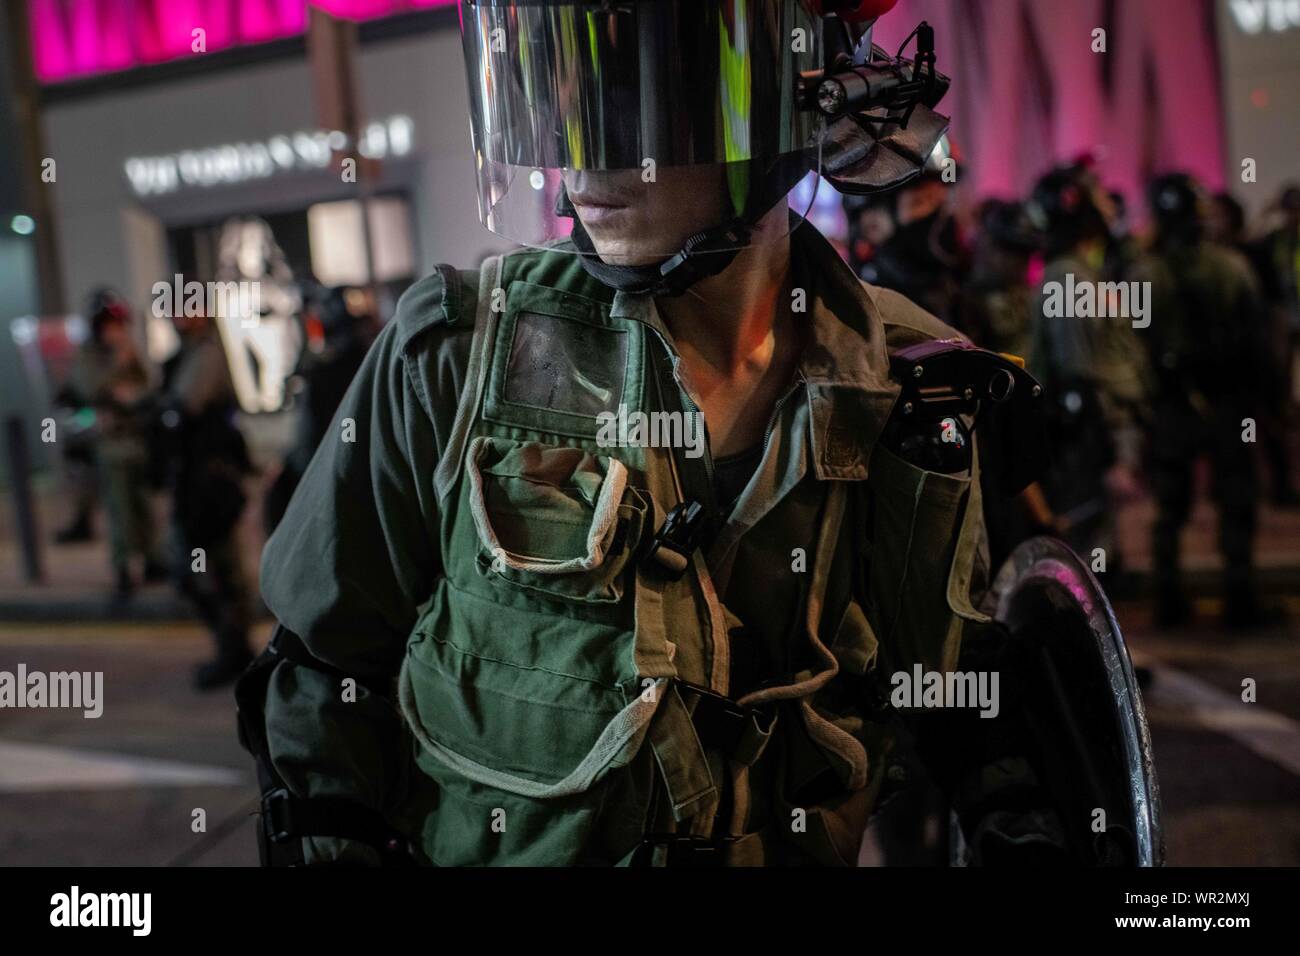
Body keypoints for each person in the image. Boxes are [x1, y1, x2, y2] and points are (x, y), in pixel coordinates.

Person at [242, 0, 1070, 867]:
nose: (584, 151)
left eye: (636, 94)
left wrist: (1020, 807)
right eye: (554, 92)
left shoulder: (912, 390)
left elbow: (959, 692)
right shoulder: (455, 355)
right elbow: (324, 673)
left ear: (794, 103)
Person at [1130, 174, 1269, 628]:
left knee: (1170, 508)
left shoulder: (1145, 273)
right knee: (1235, 500)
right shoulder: (1233, 267)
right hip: (1225, 402)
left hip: (1173, 405)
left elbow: (1135, 344)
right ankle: (1239, 597)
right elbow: (1256, 340)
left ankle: (1169, 600)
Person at [1026, 164, 1149, 559]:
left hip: (1100, 432)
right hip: (1091, 439)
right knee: (1088, 555)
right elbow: (1077, 376)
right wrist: (1110, 457)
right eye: (1098, 198)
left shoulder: (1081, 273)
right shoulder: (1068, 278)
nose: (1109, 207)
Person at [159, 310, 255, 689]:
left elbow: (185, 406)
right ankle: (233, 647)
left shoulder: (207, 354)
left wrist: (161, 412)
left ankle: (235, 650)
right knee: (195, 569)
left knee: (215, 568)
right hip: (193, 480)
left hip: (211, 481)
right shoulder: (185, 355)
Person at [62, 290, 165, 597]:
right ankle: (123, 565)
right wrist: (117, 370)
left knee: (143, 505)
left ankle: (153, 559)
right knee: (119, 507)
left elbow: (147, 388)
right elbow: (89, 388)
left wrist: (129, 379)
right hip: (110, 444)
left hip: (136, 439)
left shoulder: (129, 350)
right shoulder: (90, 354)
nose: (116, 331)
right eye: (110, 324)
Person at [1207, 192, 1299, 507]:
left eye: (1218, 215)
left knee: (1272, 420)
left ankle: (1280, 486)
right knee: (1231, 432)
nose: (1212, 221)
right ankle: (1230, 489)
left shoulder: (1251, 253)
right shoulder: (1206, 259)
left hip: (1256, 353)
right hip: (1224, 361)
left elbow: (1269, 308)